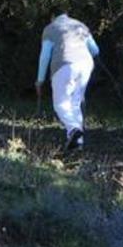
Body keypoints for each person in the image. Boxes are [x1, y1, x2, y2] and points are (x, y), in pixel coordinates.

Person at [35, 11, 99, 152]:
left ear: (52, 16)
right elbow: (95, 50)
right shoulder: (80, 25)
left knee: (60, 103)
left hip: (64, 64)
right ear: (67, 14)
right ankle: (77, 143)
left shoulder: (50, 28)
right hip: (86, 64)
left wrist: (40, 80)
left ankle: (73, 129)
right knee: (75, 102)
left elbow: (45, 56)